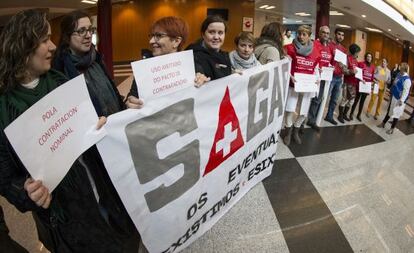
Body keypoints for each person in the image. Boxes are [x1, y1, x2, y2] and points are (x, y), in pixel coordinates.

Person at [0, 9, 139, 252]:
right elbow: (4, 175)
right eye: (44, 40)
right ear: (23, 47)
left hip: (102, 189)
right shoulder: (3, 108)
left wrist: (98, 127)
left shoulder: (62, 82)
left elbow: (85, 131)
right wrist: (24, 191)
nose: (53, 46)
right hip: (65, 216)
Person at [53, 10, 133, 115]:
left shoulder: (96, 59)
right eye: (81, 31)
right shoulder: (60, 70)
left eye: (90, 29)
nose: (88, 35)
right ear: (67, 37)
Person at [125, 16, 206, 107]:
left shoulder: (193, 69)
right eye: (151, 36)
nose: (151, 41)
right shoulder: (145, 69)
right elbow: (132, 97)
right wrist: (130, 102)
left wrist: (203, 86)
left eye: (158, 36)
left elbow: (203, 105)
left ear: (176, 41)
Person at [283, 25, 321, 145]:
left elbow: (316, 68)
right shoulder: (289, 48)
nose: (301, 36)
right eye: (299, 34)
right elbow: (284, 65)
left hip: (308, 84)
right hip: (293, 83)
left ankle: (296, 129)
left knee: (304, 111)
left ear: (309, 36)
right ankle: (288, 131)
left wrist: (317, 78)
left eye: (304, 34)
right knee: (290, 109)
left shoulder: (315, 51)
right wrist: (290, 76)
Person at [187, 15, 232, 81]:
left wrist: (233, 74)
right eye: (211, 32)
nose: (216, 37)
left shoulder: (225, 56)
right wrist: (198, 77)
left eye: (220, 33)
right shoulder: (192, 56)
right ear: (203, 34)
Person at [306, 25, 333, 131]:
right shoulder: (314, 44)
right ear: (319, 33)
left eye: (327, 33)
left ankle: (312, 120)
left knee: (318, 99)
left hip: (324, 78)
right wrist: (317, 68)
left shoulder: (328, 47)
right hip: (314, 76)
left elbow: (328, 60)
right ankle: (303, 121)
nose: (326, 35)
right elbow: (309, 58)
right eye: (323, 32)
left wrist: (330, 66)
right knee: (309, 99)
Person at [377, 62, 411, 134]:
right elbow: (395, 83)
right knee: (389, 110)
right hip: (393, 96)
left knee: (396, 114)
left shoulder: (407, 79)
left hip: (399, 99)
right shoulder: (399, 74)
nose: (399, 68)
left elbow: (406, 91)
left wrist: (402, 100)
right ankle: (383, 123)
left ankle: (392, 129)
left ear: (403, 69)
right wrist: (391, 89)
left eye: (400, 67)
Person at [324, 28, 347, 125]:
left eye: (342, 35)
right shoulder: (329, 45)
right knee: (324, 98)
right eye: (339, 34)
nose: (340, 36)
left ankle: (329, 116)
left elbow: (345, 65)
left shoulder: (344, 49)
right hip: (330, 76)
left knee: (334, 99)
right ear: (335, 34)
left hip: (339, 77)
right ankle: (314, 117)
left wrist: (343, 66)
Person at [337, 43, 360, 123]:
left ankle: (344, 114)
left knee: (351, 100)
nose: (358, 53)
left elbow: (356, 71)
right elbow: (344, 70)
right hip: (347, 82)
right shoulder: (347, 59)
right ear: (354, 51)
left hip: (354, 83)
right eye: (357, 52)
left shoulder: (356, 60)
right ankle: (340, 116)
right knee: (345, 99)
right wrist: (351, 71)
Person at [349, 52, 375, 121]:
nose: (369, 58)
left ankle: (359, 115)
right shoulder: (361, 64)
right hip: (360, 85)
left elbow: (372, 77)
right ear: (365, 57)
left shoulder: (373, 67)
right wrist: (361, 79)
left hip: (366, 87)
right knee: (356, 100)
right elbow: (357, 74)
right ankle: (351, 113)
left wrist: (372, 83)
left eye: (370, 57)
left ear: (372, 58)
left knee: (362, 101)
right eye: (368, 56)